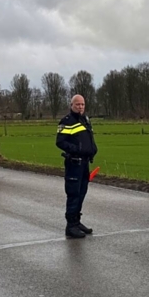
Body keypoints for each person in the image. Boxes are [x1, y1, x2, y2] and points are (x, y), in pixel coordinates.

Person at [55, 94, 97, 239]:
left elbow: (89, 138)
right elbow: (60, 142)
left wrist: (93, 149)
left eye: (82, 104)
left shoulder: (85, 120)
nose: (80, 107)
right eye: (77, 104)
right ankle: (70, 226)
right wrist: (76, 149)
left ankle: (77, 221)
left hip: (85, 163)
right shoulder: (67, 121)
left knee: (82, 193)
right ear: (71, 105)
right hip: (74, 162)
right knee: (73, 194)